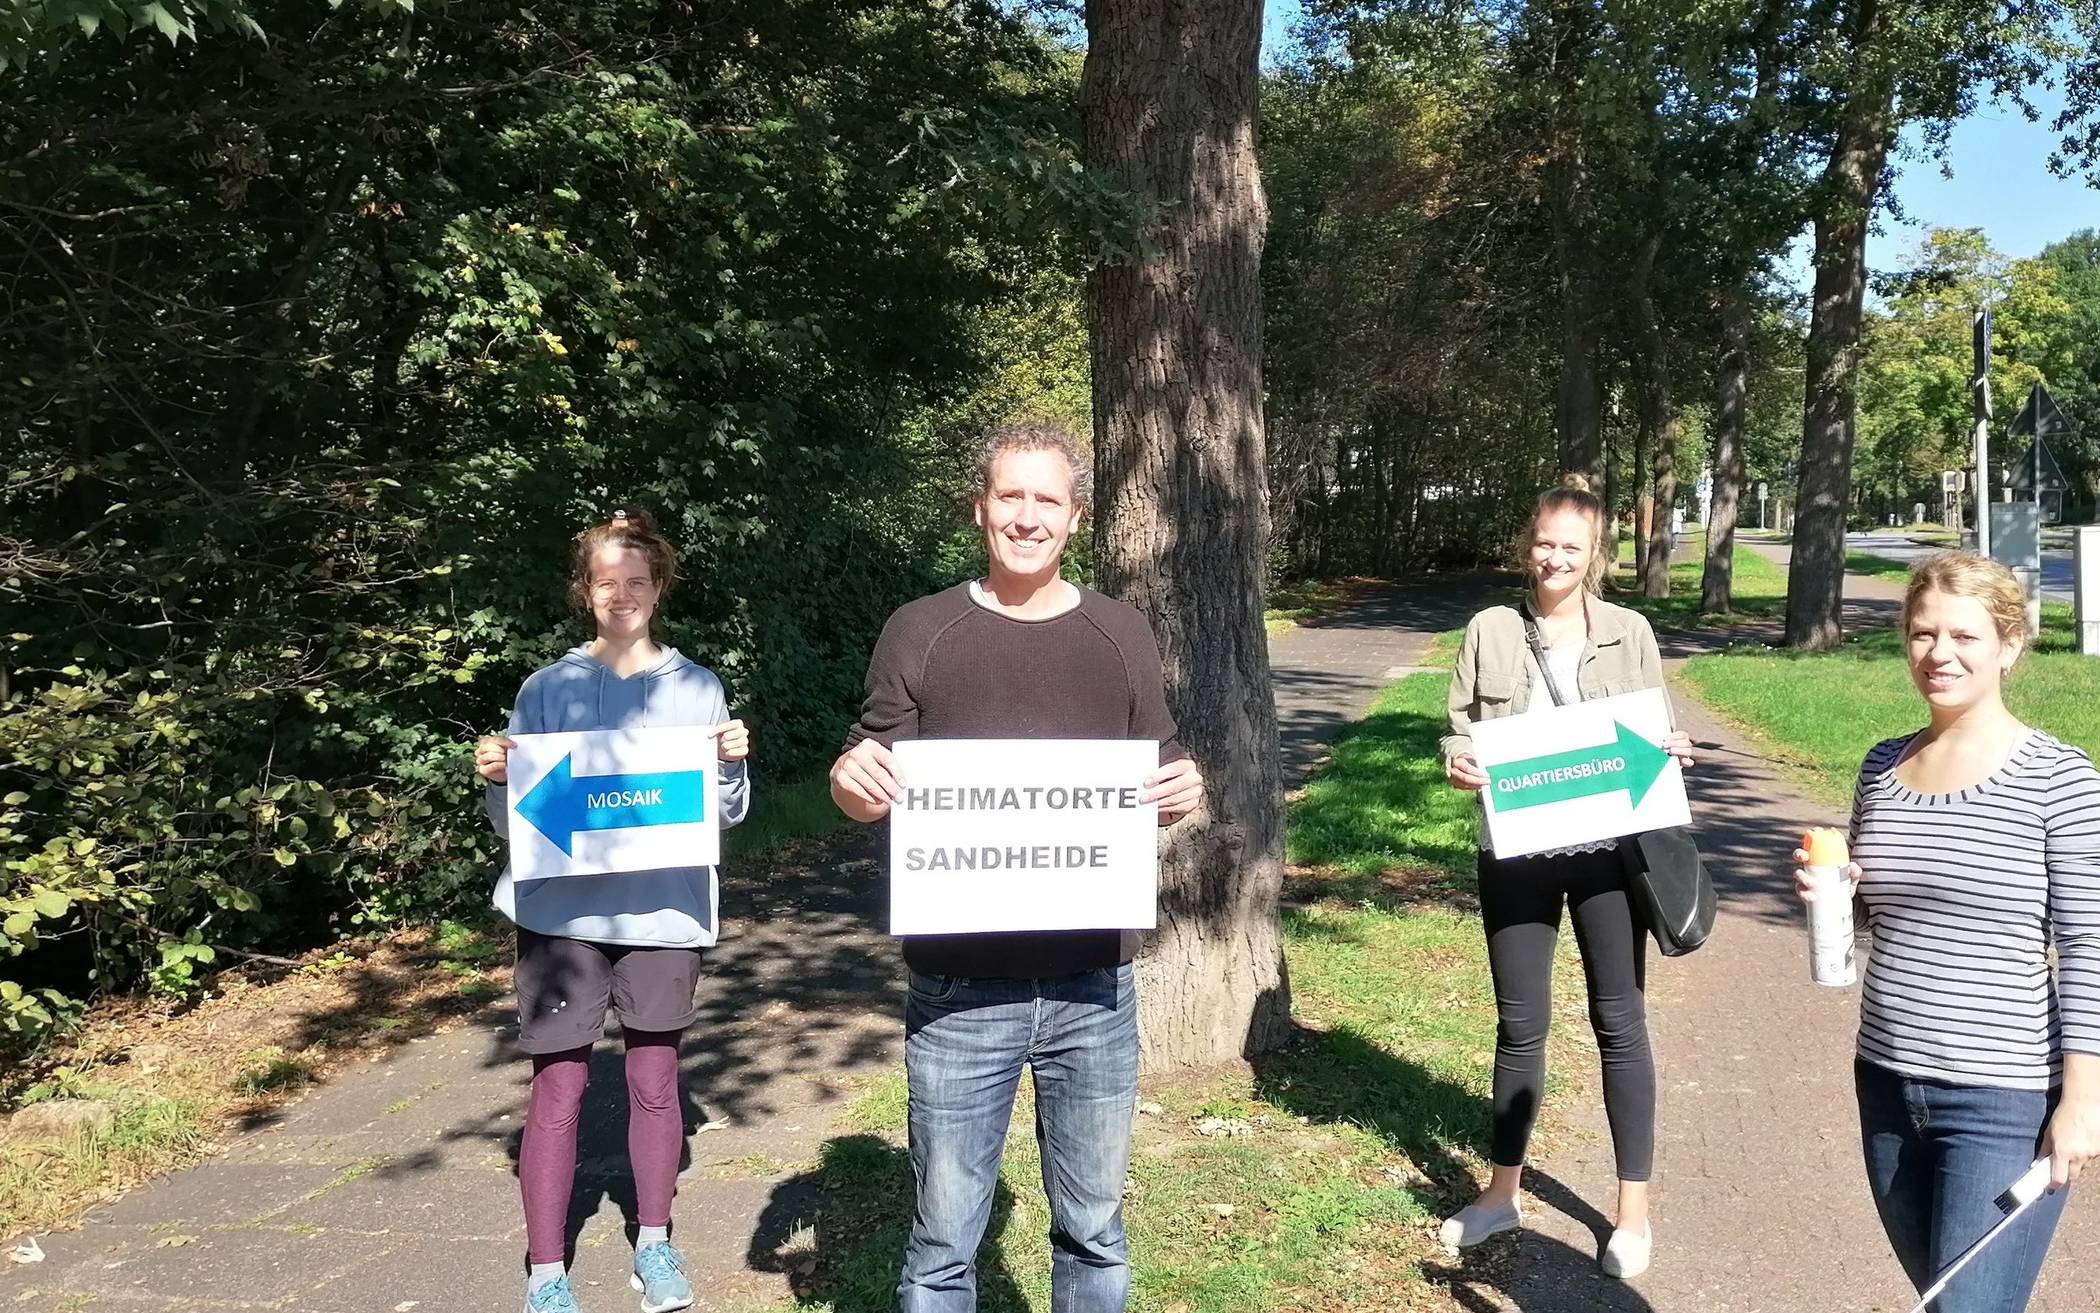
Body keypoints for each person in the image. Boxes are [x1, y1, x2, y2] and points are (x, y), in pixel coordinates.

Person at [826, 418, 1204, 1313]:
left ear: (1076, 516)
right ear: (980, 508)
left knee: (1096, 1232)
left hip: (1094, 990)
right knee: (943, 1247)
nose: (1028, 516)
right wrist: (851, 782)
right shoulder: (919, 630)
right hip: (960, 992)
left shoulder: (1121, 632)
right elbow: (865, 772)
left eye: (1048, 499)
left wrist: (1186, 789)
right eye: (1011, 496)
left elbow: (1163, 764)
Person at [1793, 552, 2100, 1313]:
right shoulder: (1881, 766)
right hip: (1887, 1083)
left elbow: (2092, 943)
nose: (1940, 653)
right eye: (1923, 633)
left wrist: (2084, 1100)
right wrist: (1834, 896)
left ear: (2008, 645)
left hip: (2002, 1098)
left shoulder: (2058, 778)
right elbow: (1879, 916)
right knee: (1943, 1301)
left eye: (1964, 634)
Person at [473, 508, 752, 1313]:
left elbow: (722, 814)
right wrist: (499, 778)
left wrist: (731, 765)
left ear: (658, 587)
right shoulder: (545, 688)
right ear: (585, 592)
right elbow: (518, 824)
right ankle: (546, 1273)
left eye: (637, 581)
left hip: (662, 917)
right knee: (556, 1089)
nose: (622, 595)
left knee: (656, 1082)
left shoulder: (698, 686)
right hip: (560, 921)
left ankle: (655, 1248)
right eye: (606, 583)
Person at [1437, 472, 1695, 1278]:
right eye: (1545, 543)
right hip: (1515, 850)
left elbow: (1653, 727)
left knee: (1620, 1019)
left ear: (1595, 557)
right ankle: (1501, 1190)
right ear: (1529, 545)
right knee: (1521, 1024)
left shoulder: (1630, 631)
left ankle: (1633, 1215)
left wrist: (1669, 750)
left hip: (1609, 855)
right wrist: (1459, 762)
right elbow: (1456, 729)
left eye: (1571, 548)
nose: (1554, 558)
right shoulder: (1489, 628)